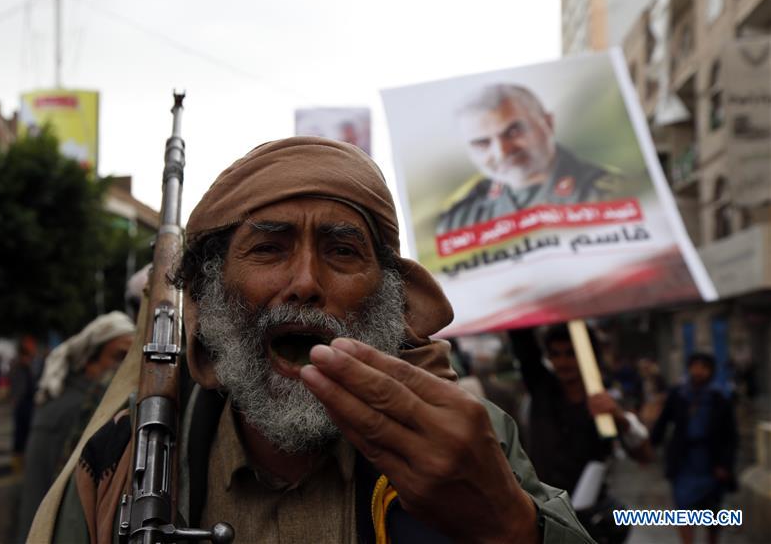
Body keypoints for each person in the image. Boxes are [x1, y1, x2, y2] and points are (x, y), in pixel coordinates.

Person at [34, 137, 594, 544]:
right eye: (269, 248)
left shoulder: (463, 433)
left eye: (342, 251)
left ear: (391, 299)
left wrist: (513, 527)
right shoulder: (124, 461)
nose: (304, 282)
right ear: (210, 290)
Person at [512, 325, 651, 544]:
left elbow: (644, 455)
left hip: (589, 515)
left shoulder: (605, 396)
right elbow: (522, 342)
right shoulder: (542, 387)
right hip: (543, 510)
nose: (563, 362)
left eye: (571, 353)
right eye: (556, 354)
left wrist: (619, 418)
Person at [16, 311, 134, 543]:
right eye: (120, 357)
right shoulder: (71, 409)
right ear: (89, 362)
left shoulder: (104, 406)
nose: (128, 367)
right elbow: (39, 496)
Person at [437, 84, 621, 233]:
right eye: (482, 143)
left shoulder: (612, 192)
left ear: (548, 123)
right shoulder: (458, 220)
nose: (502, 152)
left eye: (514, 131)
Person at [651, 353, 737, 544]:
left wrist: (725, 464)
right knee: (683, 508)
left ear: (710, 371)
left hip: (710, 460)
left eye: (703, 367)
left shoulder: (719, 397)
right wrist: (648, 447)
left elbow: (730, 436)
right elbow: (663, 422)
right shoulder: (679, 394)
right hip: (684, 460)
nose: (698, 372)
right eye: (695, 366)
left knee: (713, 512)